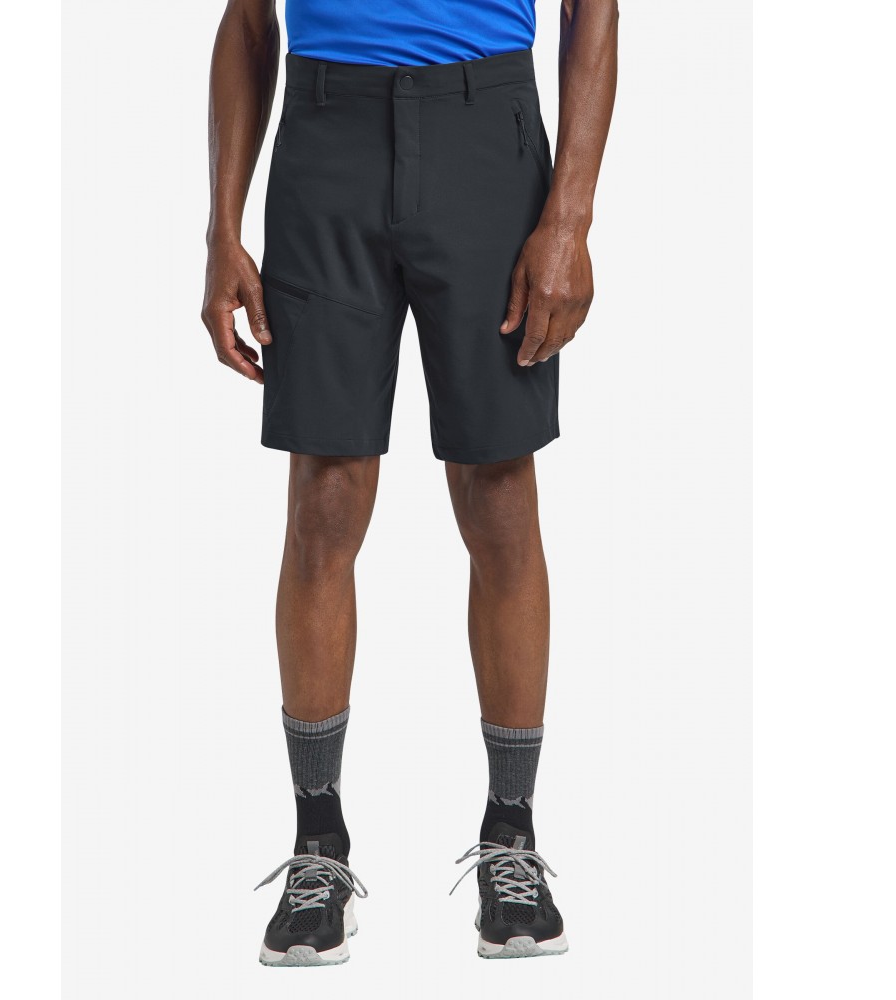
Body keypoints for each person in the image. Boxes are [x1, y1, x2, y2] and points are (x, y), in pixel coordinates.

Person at [201, 0, 618, 965]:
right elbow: (248, 21)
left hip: (487, 135)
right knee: (324, 500)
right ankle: (317, 844)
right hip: (325, 137)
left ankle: (511, 836)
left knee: (497, 496)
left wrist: (569, 216)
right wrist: (221, 230)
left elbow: (590, 8)